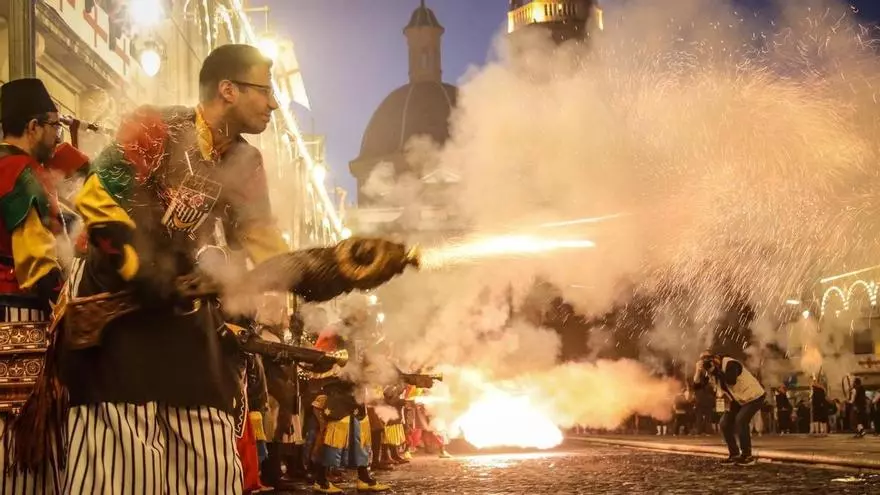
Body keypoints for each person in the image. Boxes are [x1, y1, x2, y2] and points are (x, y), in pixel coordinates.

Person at [55, 44, 409, 494]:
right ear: (228, 90)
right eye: (265, 91)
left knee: (209, 439)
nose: (275, 104)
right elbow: (96, 197)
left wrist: (333, 266)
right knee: (123, 452)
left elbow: (266, 249)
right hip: (115, 303)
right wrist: (144, 271)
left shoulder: (246, 162)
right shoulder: (156, 126)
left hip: (182, 298)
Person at [0, 78, 68, 494]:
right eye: (54, 126)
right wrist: (66, 304)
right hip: (20, 315)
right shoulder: (21, 172)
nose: (57, 135)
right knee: (24, 438)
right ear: (33, 126)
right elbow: (37, 259)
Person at [693, 351, 765, 466]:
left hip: (754, 396)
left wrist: (713, 370)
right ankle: (734, 454)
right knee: (724, 423)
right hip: (738, 400)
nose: (708, 363)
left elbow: (731, 380)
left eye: (709, 360)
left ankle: (747, 455)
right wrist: (698, 371)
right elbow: (697, 387)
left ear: (716, 358)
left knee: (741, 420)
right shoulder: (711, 371)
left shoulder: (730, 363)